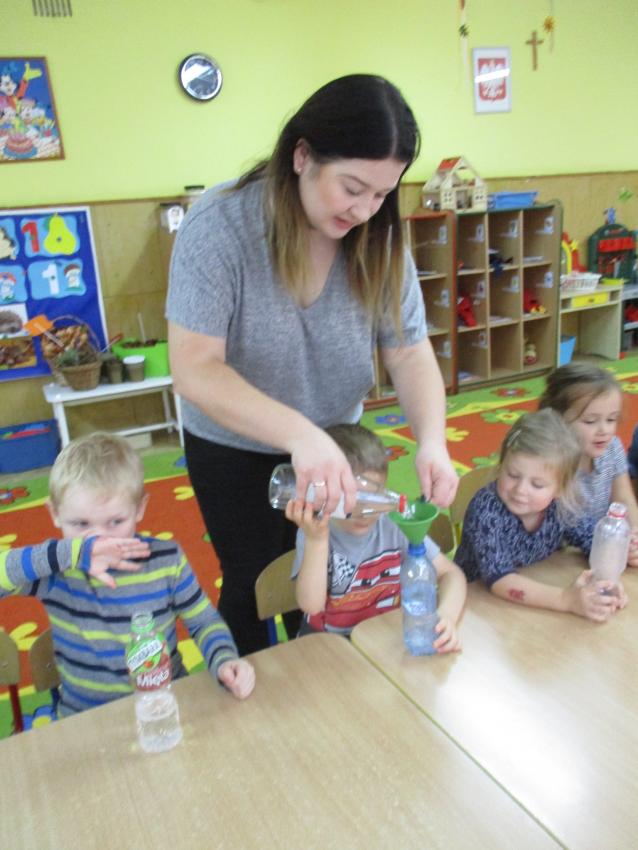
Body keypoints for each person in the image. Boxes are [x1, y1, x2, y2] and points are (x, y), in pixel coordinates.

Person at [166, 74, 458, 654]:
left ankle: (320, 680)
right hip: (234, 444)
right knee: (253, 581)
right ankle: (254, 681)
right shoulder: (221, 225)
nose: (365, 209)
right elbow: (195, 368)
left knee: (329, 573)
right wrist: (299, 435)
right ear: (302, 156)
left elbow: (407, 349)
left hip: (335, 440)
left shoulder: (379, 239)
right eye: (352, 187)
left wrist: (432, 439)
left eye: (382, 194)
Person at [0, 432, 255, 718]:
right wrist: (70, 553)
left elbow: (203, 621)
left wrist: (224, 660)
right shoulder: (57, 566)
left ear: (139, 508)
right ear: (55, 513)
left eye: (115, 521)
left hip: (166, 706)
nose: (99, 539)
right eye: (81, 524)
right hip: (87, 718)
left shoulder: (166, 559)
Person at [286, 423, 466, 649]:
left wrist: (446, 616)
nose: (364, 511)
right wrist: (317, 541)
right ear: (326, 491)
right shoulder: (315, 531)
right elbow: (311, 605)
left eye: (374, 497)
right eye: (351, 498)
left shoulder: (394, 524)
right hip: (330, 645)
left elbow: (451, 574)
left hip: (384, 637)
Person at [455, 409, 633, 621]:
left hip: (528, 601)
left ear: (560, 489)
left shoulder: (561, 505)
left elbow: (593, 540)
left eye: (537, 484)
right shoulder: (486, 509)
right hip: (473, 607)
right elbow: (500, 581)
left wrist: (607, 582)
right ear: (501, 466)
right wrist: (567, 600)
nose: (520, 490)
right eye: (512, 475)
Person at [539, 363, 638, 527]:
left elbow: (624, 499)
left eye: (611, 419)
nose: (604, 430)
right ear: (557, 419)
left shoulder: (612, 447)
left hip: (603, 536)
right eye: (590, 421)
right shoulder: (549, 463)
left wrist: (634, 531)